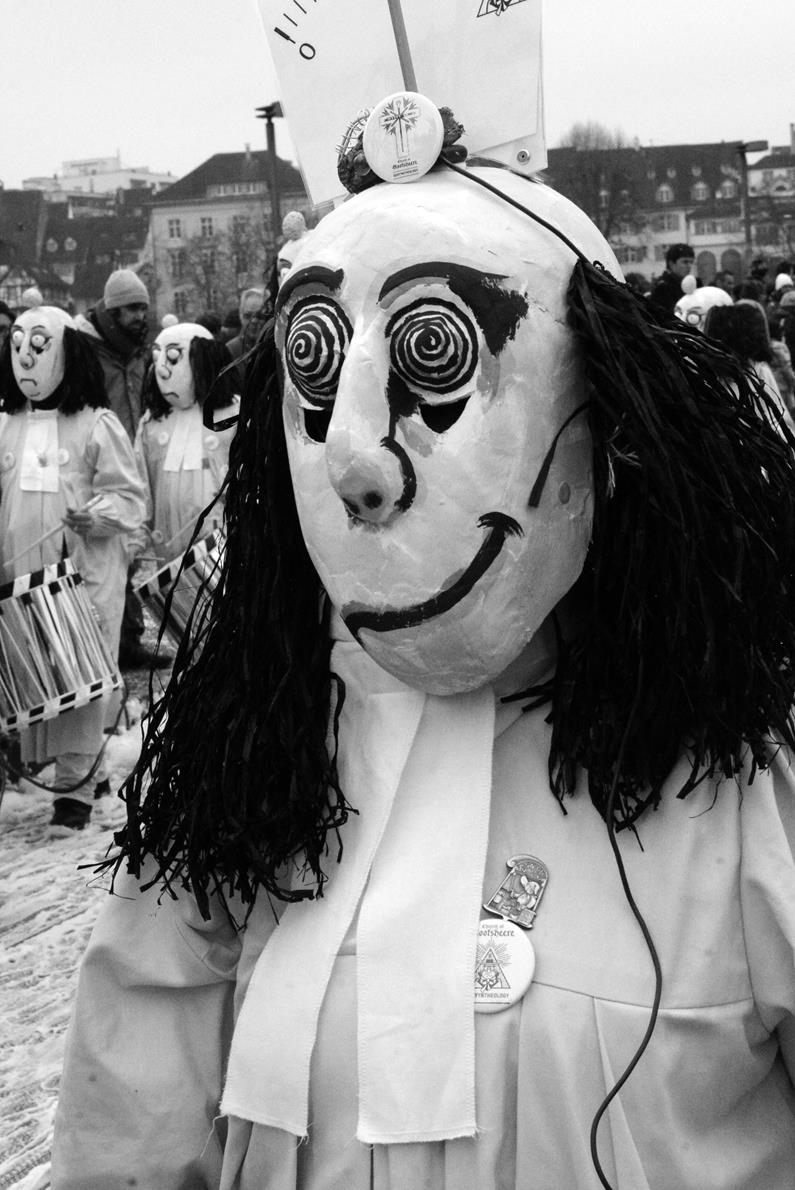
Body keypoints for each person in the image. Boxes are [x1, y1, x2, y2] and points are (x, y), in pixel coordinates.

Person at [53, 125, 795, 1187]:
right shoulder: (246, 774)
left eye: (432, 353)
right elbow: (129, 1132)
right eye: (315, 368)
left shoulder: (740, 787)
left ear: (606, 411)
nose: (354, 457)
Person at [0, 307, 145, 832]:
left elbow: (129, 497)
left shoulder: (95, 424)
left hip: (81, 573)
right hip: (20, 573)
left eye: (39, 346)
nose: (26, 357)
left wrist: (97, 515)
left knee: (80, 676)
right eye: (18, 345)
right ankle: (84, 770)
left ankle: (74, 792)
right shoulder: (5, 425)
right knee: (37, 675)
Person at [75, 268, 167, 668]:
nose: (140, 317)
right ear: (111, 311)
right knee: (105, 558)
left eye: (143, 308)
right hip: (95, 460)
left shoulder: (135, 351)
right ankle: (104, 646)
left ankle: (127, 640)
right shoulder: (84, 349)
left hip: (129, 458)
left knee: (128, 550)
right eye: (132, 309)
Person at [134, 322, 238, 562]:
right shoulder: (152, 422)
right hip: (166, 550)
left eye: (173, 358)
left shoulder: (236, 414)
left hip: (226, 548)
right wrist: (137, 541)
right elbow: (140, 485)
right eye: (157, 359)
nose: (161, 371)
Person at [647, 242, 694, 314]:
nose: (689, 266)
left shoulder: (690, 284)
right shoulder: (662, 288)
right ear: (671, 264)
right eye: (685, 262)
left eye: (691, 262)